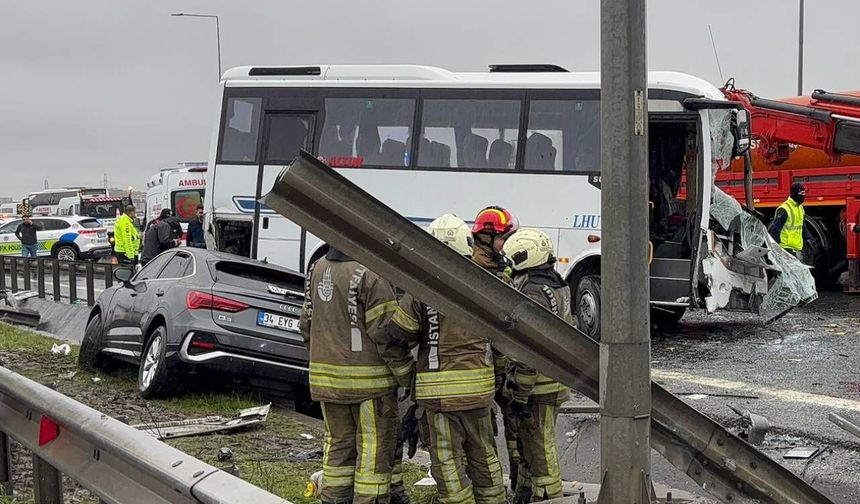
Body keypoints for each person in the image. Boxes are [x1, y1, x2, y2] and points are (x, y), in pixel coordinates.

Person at [385, 214, 506, 504]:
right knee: (485, 455)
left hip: (438, 398)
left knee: (447, 462)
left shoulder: (422, 290)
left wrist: (409, 380)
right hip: (480, 393)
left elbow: (396, 338)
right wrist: (497, 377)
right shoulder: (487, 286)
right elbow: (503, 346)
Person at [299, 246, 404, 504]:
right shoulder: (373, 274)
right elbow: (387, 335)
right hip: (371, 386)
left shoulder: (318, 267)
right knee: (373, 454)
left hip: (327, 381)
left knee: (338, 448)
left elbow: (306, 324)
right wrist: (406, 374)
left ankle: (333, 500)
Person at [500, 229, 571, 503]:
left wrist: (519, 392)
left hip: (537, 386)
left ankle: (548, 496)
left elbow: (529, 350)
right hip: (556, 379)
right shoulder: (557, 283)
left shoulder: (532, 291)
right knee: (532, 447)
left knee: (541, 450)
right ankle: (526, 494)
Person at [470, 205, 521, 493]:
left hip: (502, 368)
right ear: (486, 239)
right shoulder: (474, 275)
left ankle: (515, 487)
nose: (506, 244)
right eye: (503, 237)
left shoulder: (502, 272)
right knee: (483, 438)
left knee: (514, 435)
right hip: (483, 369)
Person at [769, 182, 807, 259]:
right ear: (793, 194)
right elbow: (775, 231)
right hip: (785, 248)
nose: (803, 196)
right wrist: (776, 250)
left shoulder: (800, 208)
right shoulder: (784, 209)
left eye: (804, 193)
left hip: (796, 248)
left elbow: (802, 227)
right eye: (801, 193)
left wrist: (808, 240)